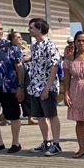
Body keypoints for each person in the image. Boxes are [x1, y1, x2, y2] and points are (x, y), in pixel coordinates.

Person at [0, 20, 24, 153]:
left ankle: (15, 143)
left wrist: (20, 86)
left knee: (13, 115)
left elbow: (19, 68)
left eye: (1, 29)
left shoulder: (11, 47)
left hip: (8, 86)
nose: (0, 31)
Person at [27, 18, 62, 156]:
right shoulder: (34, 45)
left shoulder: (50, 45)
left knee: (52, 115)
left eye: (31, 27)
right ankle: (46, 141)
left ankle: (56, 143)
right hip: (35, 86)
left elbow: (54, 66)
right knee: (40, 116)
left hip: (47, 86)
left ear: (39, 29)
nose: (29, 30)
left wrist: (47, 88)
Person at [7, 29, 37, 125]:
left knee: (27, 96)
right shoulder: (9, 50)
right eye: (18, 37)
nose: (21, 39)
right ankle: (4, 116)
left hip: (25, 74)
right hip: (14, 76)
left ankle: (30, 117)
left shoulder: (21, 49)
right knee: (13, 98)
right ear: (12, 40)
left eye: (21, 37)